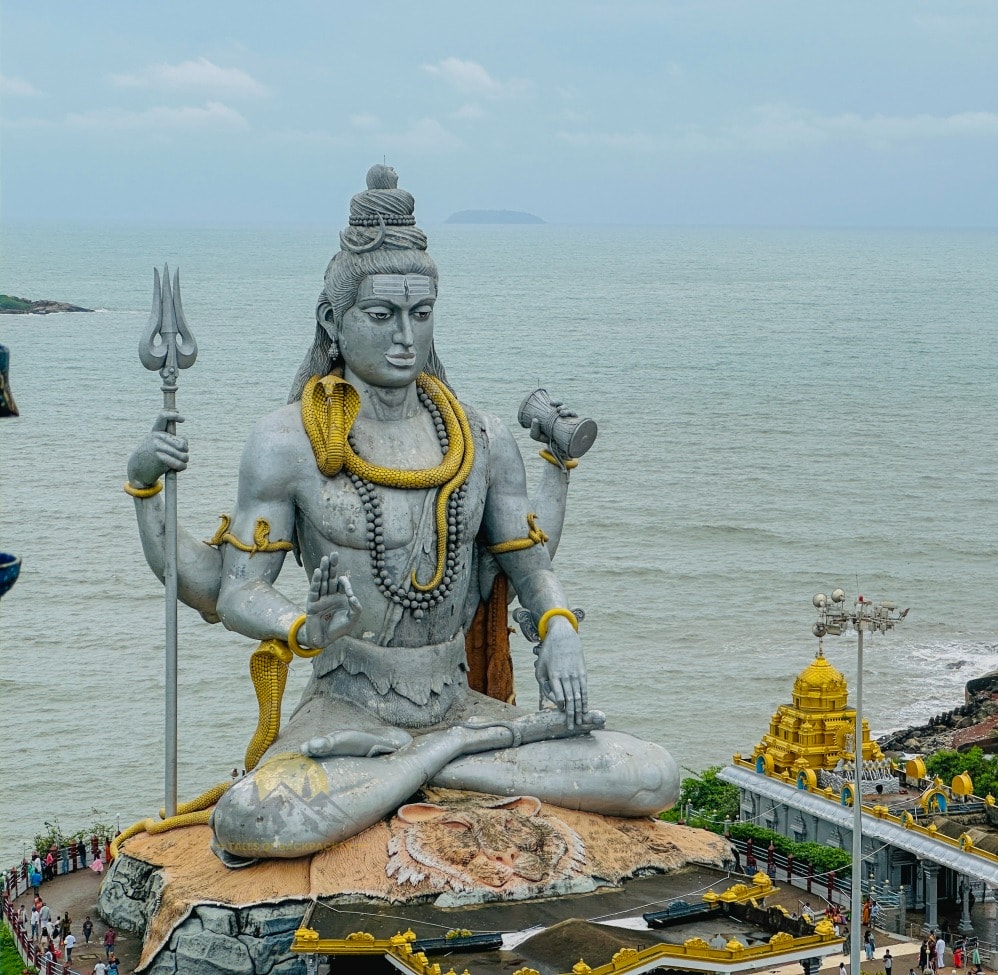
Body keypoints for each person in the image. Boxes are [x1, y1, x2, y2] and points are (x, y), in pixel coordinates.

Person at [125, 164, 678, 864]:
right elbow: (235, 590)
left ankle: (436, 755)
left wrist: (560, 629)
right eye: (382, 315)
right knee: (252, 819)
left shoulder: (480, 437)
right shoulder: (286, 440)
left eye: (421, 315)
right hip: (346, 715)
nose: (404, 338)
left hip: (460, 705)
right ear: (334, 319)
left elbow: (530, 568)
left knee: (653, 772)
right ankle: (451, 760)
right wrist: (301, 624)